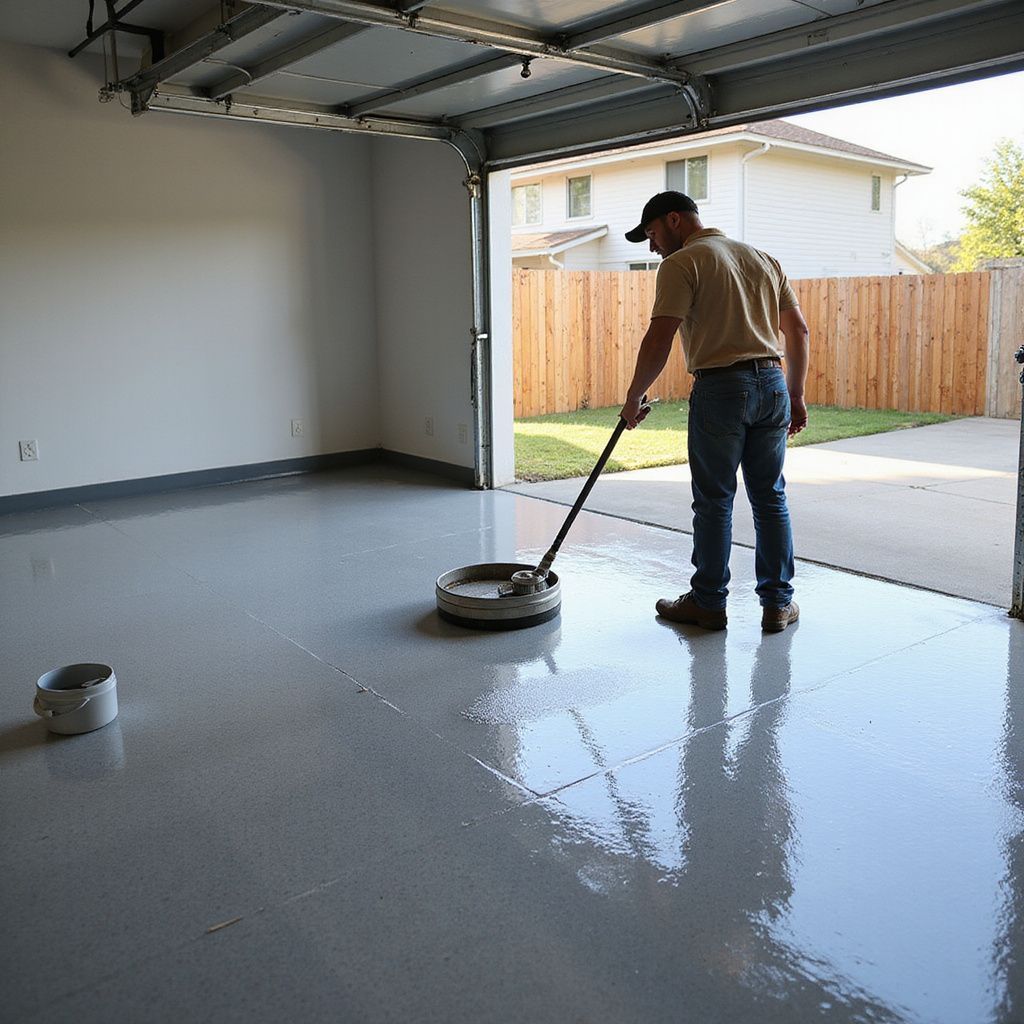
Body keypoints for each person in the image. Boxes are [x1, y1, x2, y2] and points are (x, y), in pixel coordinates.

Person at [618, 191, 809, 633]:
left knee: (714, 502)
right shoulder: (763, 258)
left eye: (651, 235)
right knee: (770, 497)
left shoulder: (683, 263)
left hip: (721, 388)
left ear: (674, 220)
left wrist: (634, 396)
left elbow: (660, 336)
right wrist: (795, 395)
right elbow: (797, 330)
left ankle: (708, 602)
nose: (652, 247)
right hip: (773, 383)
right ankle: (778, 604)